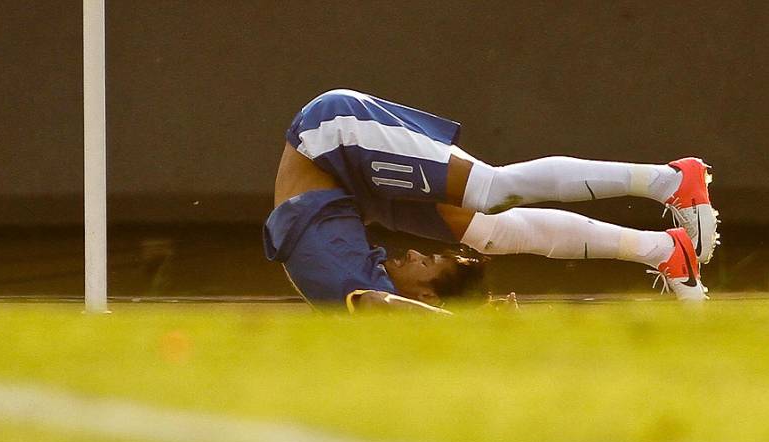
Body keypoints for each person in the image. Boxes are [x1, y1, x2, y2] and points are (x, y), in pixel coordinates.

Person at [264, 89, 719, 312]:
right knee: (492, 232)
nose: (412, 253)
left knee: (489, 188)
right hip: (349, 189)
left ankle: (671, 180)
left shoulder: (359, 293)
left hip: (329, 139)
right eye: (424, 267)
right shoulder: (368, 286)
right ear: (425, 294)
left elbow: (387, 310)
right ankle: (665, 251)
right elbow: (398, 314)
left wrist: (476, 327)